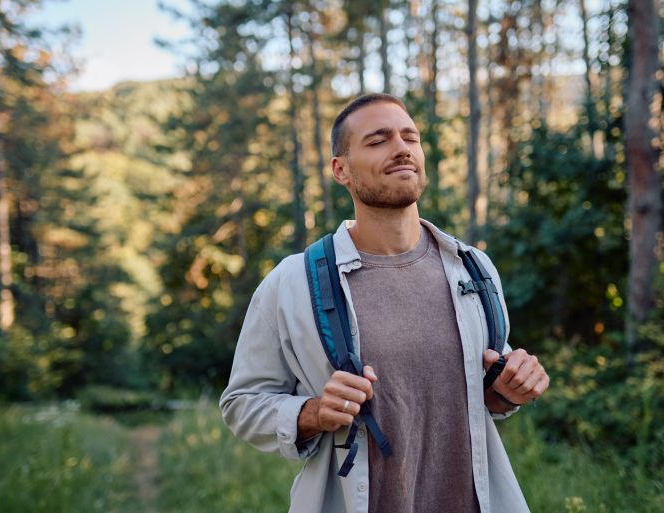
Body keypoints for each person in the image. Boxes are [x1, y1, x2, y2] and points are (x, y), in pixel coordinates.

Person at [220, 93, 549, 513]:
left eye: (410, 137)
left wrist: (512, 387)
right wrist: (316, 412)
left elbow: (483, 397)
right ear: (341, 170)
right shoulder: (292, 282)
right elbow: (242, 403)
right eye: (378, 141)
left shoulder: (473, 268)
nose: (401, 148)